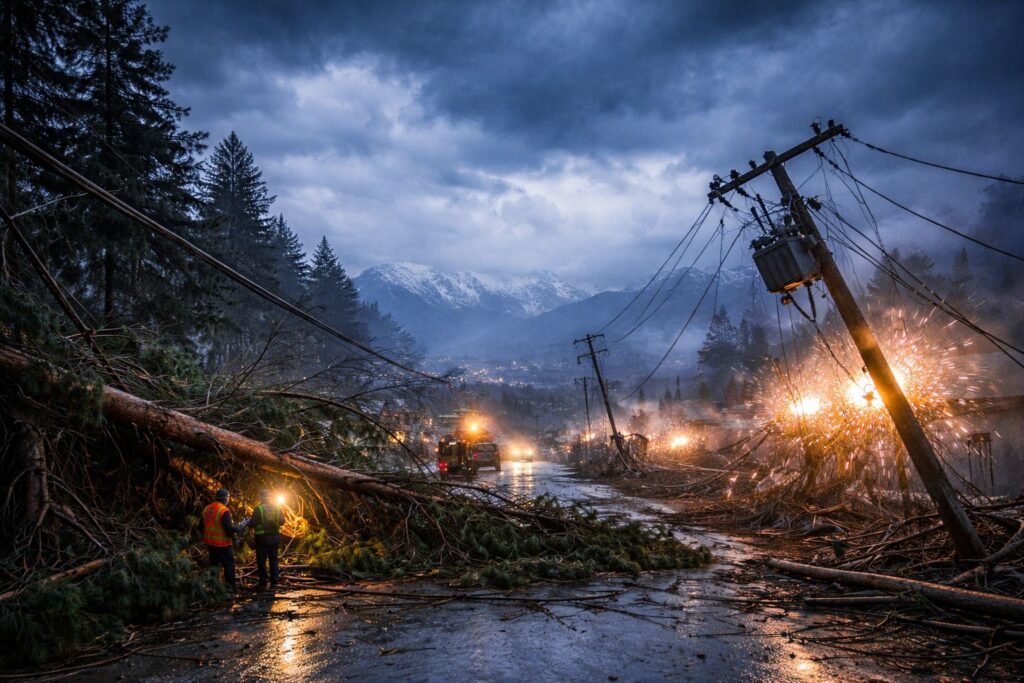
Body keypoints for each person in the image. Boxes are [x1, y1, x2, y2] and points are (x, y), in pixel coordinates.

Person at [202, 488, 246, 589]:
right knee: (229, 567)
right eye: (228, 497)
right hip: (223, 544)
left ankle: (215, 589)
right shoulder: (224, 510)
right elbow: (229, 529)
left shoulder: (207, 509)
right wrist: (238, 528)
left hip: (210, 544)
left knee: (214, 567)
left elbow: (201, 526)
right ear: (226, 498)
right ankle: (230, 589)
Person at [250, 489, 283, 589]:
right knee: (274, 560)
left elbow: (252, 524)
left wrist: (247, 523)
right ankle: (274, 582)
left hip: (262, 539)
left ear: (261, 497)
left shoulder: (258, 509)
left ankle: (263, 582)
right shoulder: (278, 508)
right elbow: (282, 522)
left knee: (261, 561)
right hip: (275, 538)